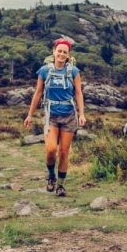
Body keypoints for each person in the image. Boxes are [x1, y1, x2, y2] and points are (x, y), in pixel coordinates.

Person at [24, 36, 86, 197]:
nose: (61, 54)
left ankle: (60, 185)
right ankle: (51, 175)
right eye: (59, 51)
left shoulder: (74, 71)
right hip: (51, 116)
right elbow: (38, 93)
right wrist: (30, 115)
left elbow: (78, 93)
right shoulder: (44, 71)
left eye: (65, 52)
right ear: (54, 52)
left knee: (64, 152)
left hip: (69, 116)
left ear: (68, 55)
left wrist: (82, 114)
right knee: (51, 150)